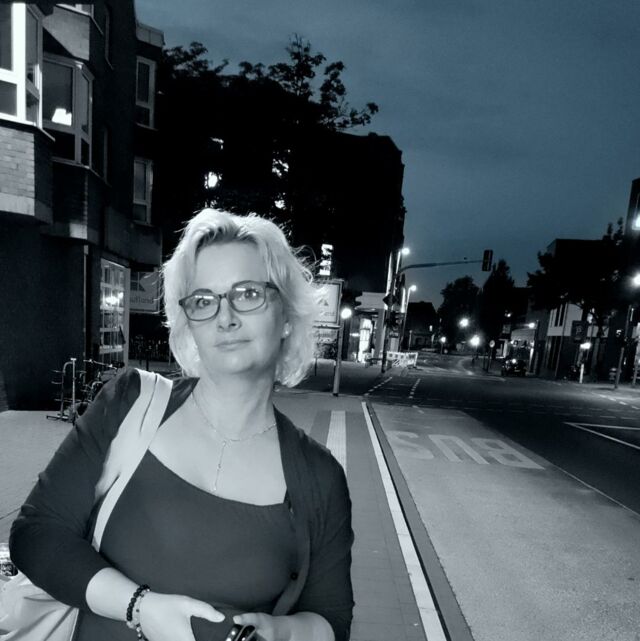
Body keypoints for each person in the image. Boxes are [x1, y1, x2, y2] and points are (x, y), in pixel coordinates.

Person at [10, 208, 354, 641]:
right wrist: (139, 606)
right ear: (189, 322)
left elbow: (331, 618)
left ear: (286, 315)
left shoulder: (319, 477)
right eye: (204, 301)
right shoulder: (130, 404)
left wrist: (280, 631)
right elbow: (36, 533)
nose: (225, 318)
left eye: (248, 293)